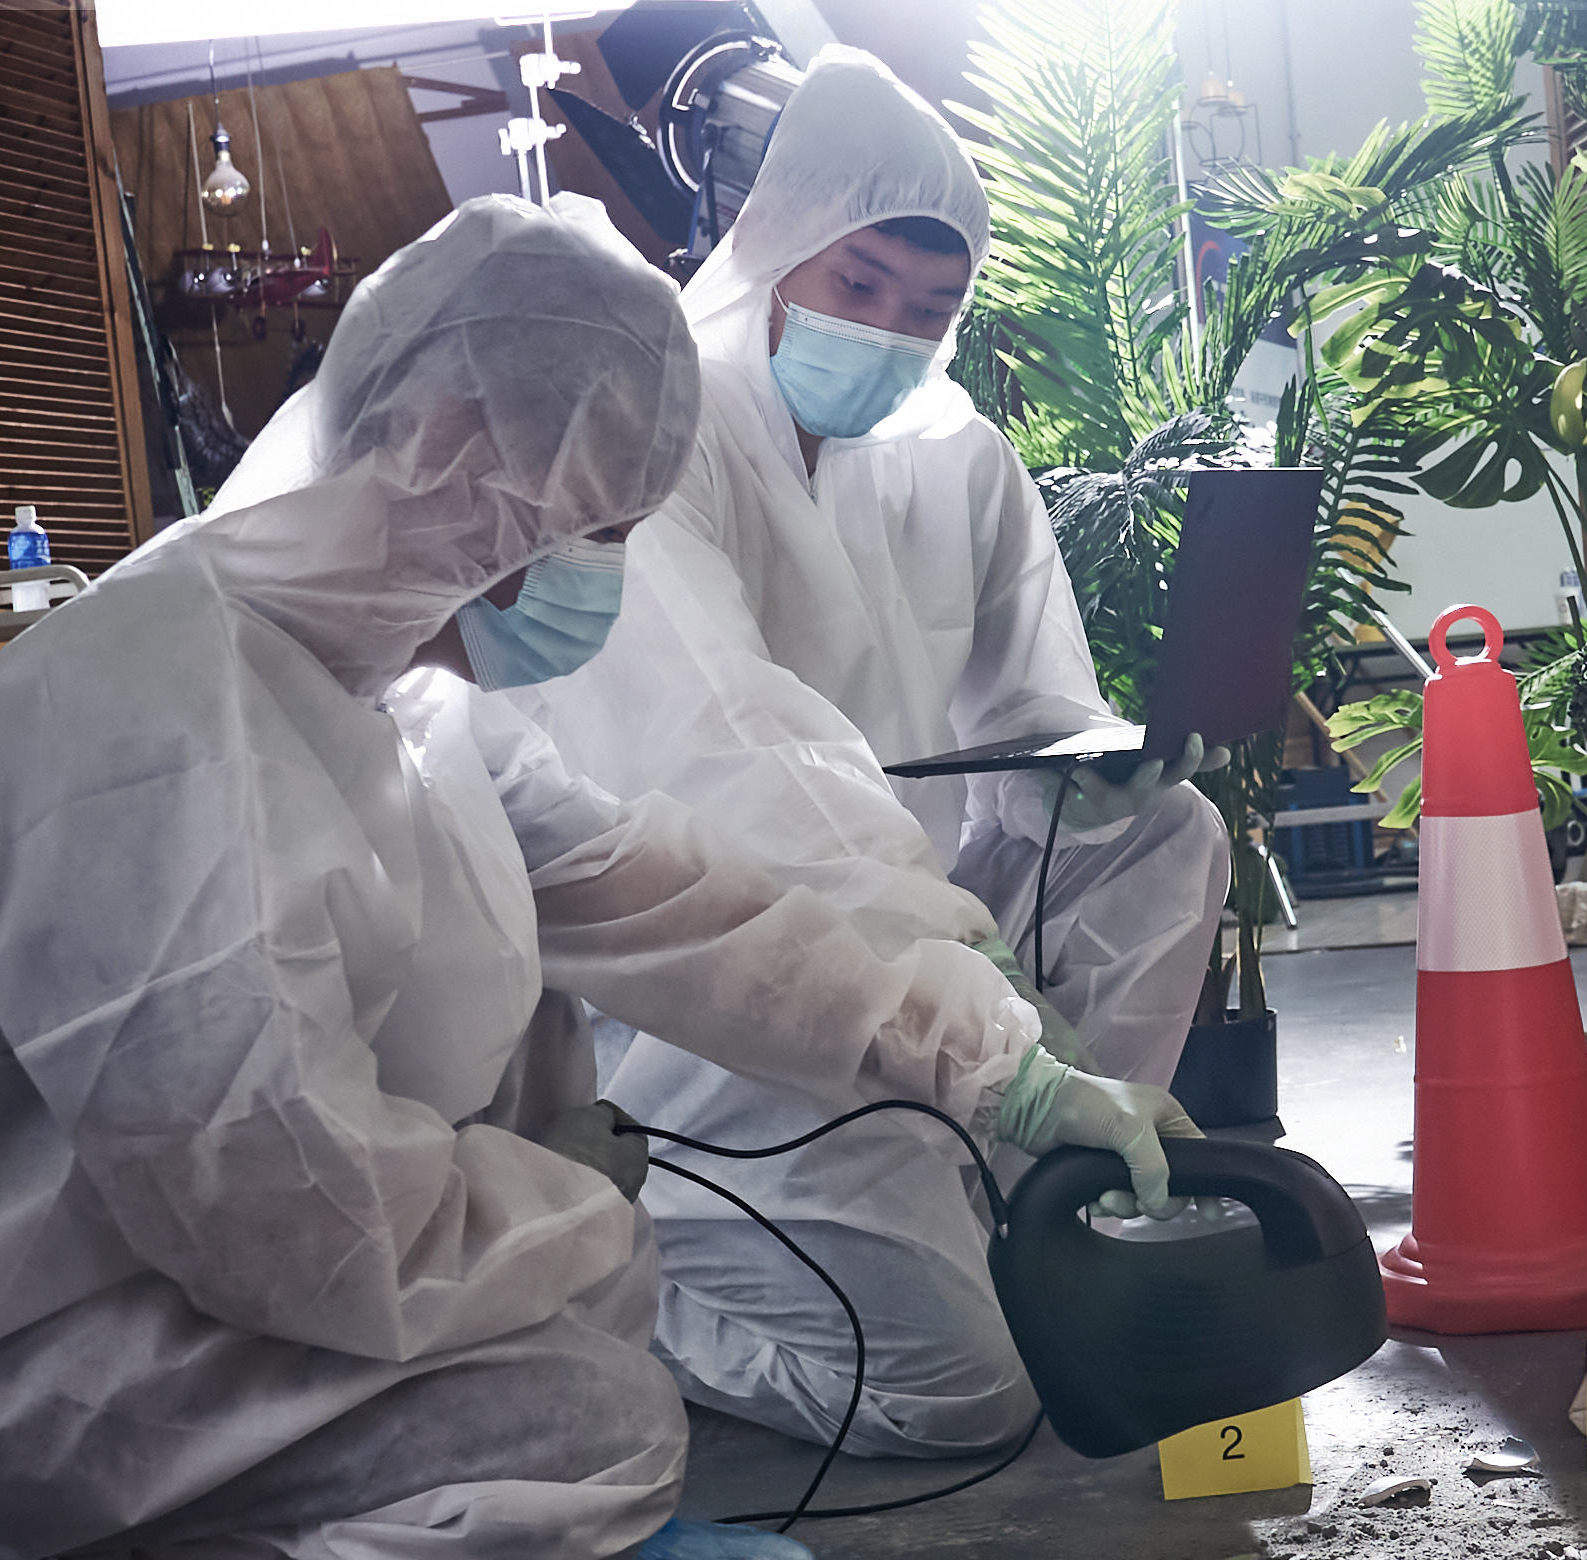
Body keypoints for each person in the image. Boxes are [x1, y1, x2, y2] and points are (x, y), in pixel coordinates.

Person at [0, 193, 1188, 1560]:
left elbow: (679, 905)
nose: (604, 576)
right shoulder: (158, 724)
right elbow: (277, 1207)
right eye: (596, 525)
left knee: (571, 1370)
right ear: (450, 452)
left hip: (127, 1277)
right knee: (581, 1440)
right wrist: (573, 1211)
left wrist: (1001, 1067)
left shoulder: (401, 690)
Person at [511, 49, 1228, 1463]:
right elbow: (730, 765)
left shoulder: (954, 453)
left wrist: (1098, 778)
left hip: (930, 951)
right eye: (861, 284)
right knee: (962, 1395)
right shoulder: (664, 430)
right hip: (726, 975)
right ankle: (603, 1273)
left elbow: (1033, 709)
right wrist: (968, 994)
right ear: (778, 245)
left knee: (1173, 829)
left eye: (930, 308)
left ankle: (1067, 1174)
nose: (890, 333)